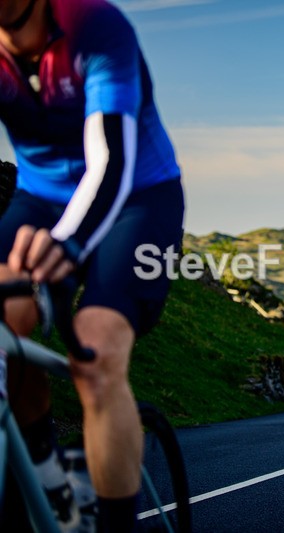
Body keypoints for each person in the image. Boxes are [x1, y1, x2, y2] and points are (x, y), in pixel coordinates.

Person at [0, 1, 185, 530]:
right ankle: (52, 484)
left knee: (97, 350)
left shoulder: (93, 25)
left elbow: (110, 161)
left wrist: (67, 243)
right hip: (40, 199)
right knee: (8, 321)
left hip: (138, 198)